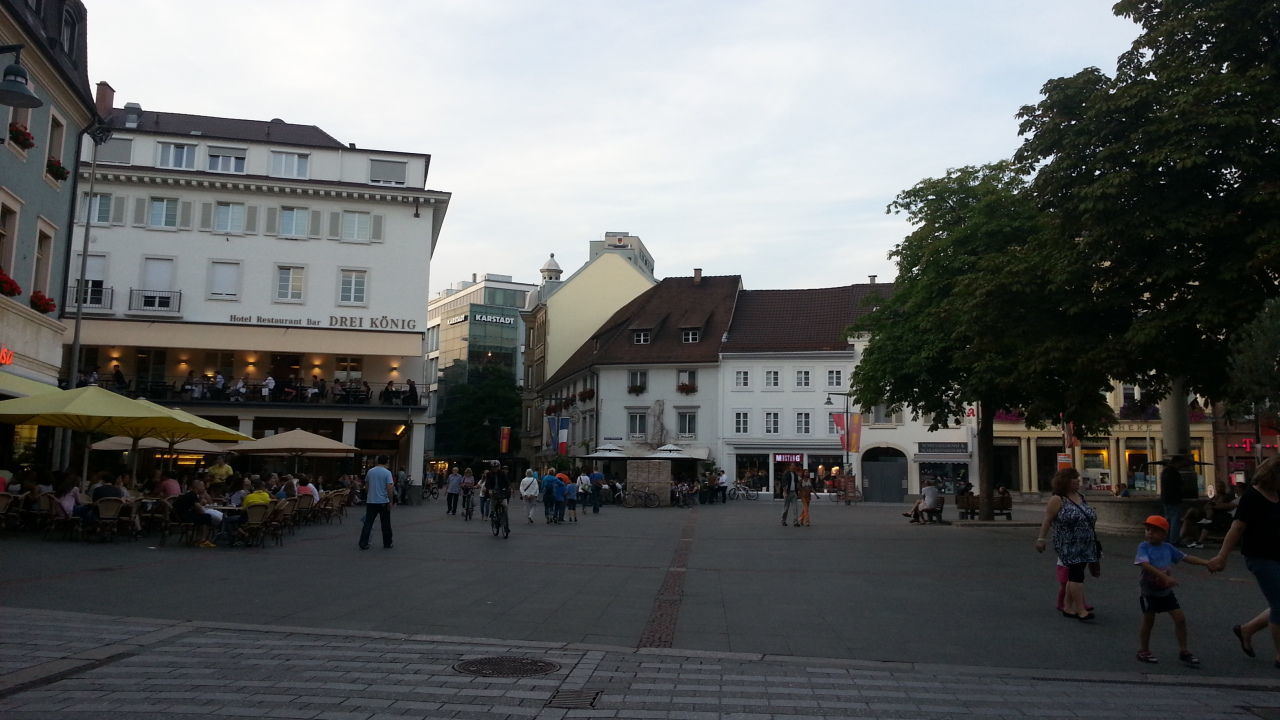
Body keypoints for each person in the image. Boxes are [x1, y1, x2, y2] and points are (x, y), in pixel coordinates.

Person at [1208, 456, 1280, 666]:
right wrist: (1222, 556)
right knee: (1279, 604)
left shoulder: (1278, 494)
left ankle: (1246, 630)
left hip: (1278, 554)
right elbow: (1237, 528)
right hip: (1260, 556)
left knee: (1279, 603)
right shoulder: (1252, 497)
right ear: (1273, 475)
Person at [1134, 514, 1210, 666]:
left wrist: (1206, 562)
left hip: (1165, 591)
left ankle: (1184, 651)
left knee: (1180, 619)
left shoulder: (1168, 548)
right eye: (1148, 529)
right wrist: (1165, 577)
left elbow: (1186, 557)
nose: (1149, 533)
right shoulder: (1144, 546)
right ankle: (1143, 650)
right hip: (1149, 592)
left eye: (1154, 530)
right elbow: (1144, 564)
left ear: (1164, 534)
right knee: (1149, 621)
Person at [1035, 467, 1100, 621]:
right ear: (1065, 481)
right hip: (1068, 543)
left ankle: (1067, 606)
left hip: (1086, 542)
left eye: (1078, 479)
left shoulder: (1081, 496)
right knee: (1077, 574)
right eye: (1074, 479)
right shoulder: (1057, 499)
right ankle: (1080, 609)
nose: (1078, 481)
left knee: (1075, 574)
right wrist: (1041, 539)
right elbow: (1047, 520)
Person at [1185, 480, 1237, 548]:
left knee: (1208, 522)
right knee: (1191, 516)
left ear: (1223, 487)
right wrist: (1210, 506)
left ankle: (1199, 542)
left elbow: (1228, 506)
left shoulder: (1227, 496)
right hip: (1211, 515)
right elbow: (1206, 506)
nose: (1219, 488)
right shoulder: (1214, 497)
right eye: (1218, 486)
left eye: (1221, 486)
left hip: (1221, 516)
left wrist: (1214, 506)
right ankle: (1183, 538)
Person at [358, 456, 395, 550]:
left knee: (368, 523)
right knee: (386, 523)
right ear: (386, 462)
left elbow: (366, 485)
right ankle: (387, 543)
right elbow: (390, 488)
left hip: (371, 501)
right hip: (383, 501)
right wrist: (391, 501)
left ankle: (363, 542)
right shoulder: (387, 472)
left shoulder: (370, 471)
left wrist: (369, 494)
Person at [1160, 455, 1193, 548]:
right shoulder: (1174, 472)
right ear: (1177, 462)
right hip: (1174, 499)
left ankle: (1166, 538)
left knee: (1168, 520)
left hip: (1165, 498)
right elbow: (1179, 485)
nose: (1182, 466)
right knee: (1175, 520)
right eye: (1181, 464)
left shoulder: (1165, 471)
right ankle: (1174, 540)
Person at [173, 479, 216, 548]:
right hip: (183, 517)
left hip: (180, 515)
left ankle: (198, 539)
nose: (204, 488)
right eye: (202, 486)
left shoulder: (190, 494)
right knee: (206, 517)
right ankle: (203, 540)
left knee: (202, 517)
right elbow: (200, 510)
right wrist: (202, 503)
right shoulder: (192, 495)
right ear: (197, 487)